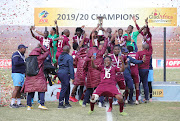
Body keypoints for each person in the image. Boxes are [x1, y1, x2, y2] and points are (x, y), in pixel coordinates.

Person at [82, 27, 108, 107]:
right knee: (100, 88)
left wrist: (85, 72)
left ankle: (84, 103)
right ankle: (100, 102)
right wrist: (105, 36)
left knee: (89, 89)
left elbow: (84, 66)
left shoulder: (88, 55)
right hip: (98, 73)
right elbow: (105, 45)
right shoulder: (100, 53)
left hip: (90, 74)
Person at [21, 44, 49, 110]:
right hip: (39, 76)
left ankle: (29, 106)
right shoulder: (40, 57)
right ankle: (41, 104)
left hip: (29, 77)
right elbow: (47, 52)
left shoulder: (27, 58)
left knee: (30, 91)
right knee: (41, 90)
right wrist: (42, 46)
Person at [137, 38, 152, 103]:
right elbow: (151, 46)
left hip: (140, 69)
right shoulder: (149, 52)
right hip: (146, 69)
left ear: (142, 47)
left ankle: (139, 98)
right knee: (145, 84)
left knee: (138, 83)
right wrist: (147, 41)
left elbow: (136, 60)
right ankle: (146, 98)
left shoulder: (139, 52)